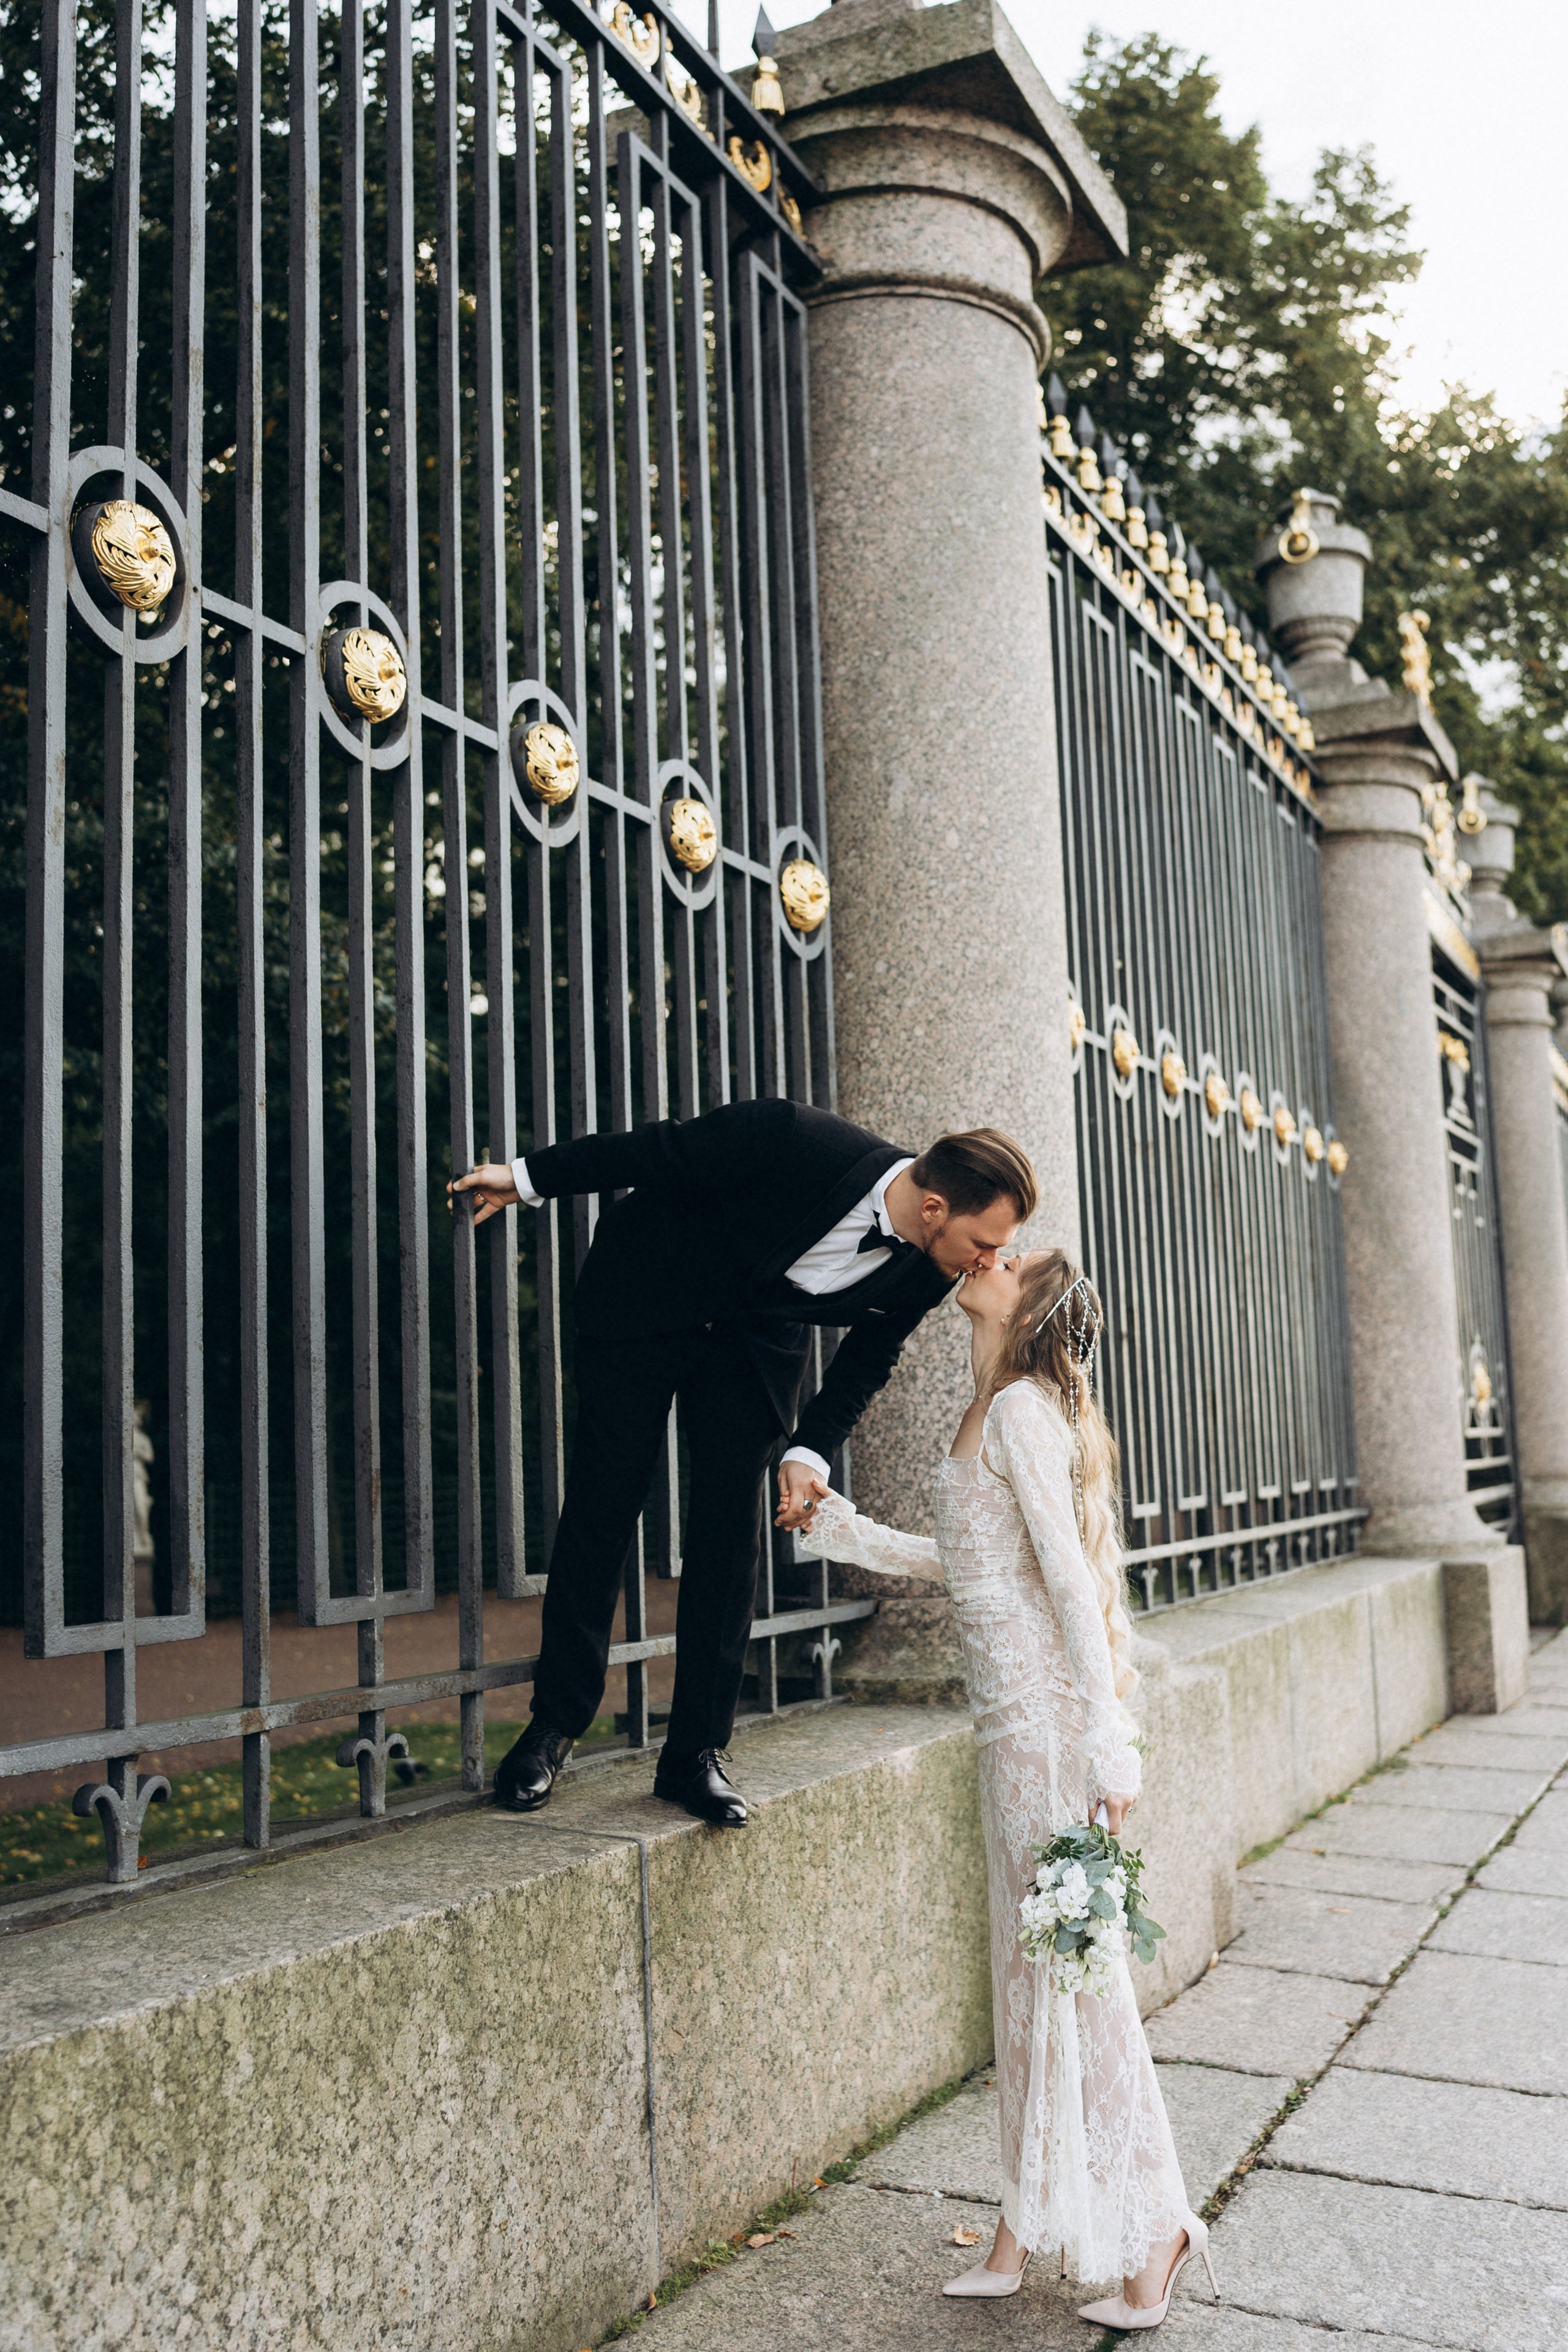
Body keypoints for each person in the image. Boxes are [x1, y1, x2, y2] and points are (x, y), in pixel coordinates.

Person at [794, 1250, 1216, 2329]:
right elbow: (970, 1560)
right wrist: (844, 1529)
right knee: (1026, 1994)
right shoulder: (988, 1405)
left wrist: (1110, 1748)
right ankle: (1024, 2225)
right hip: (1007, 1740)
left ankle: (1160, 2224)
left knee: (1081, 1987)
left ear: (1031, 1309)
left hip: (1049, 1740)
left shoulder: (1025, 1410)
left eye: (1017, 1260)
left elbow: (1073, 1586)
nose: (994, 1257)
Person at [447, 1102, 1035, 1826]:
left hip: (754, 1349)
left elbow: (866, 1361)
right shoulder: (792, 1137)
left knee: (731, 1533)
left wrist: (806, 1452)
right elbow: (654, 1150)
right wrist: (527, 1178)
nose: (988, 1260)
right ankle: (553, 1727)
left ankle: (693, 1754)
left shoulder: (935, 1261)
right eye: (983, 1241)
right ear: (935, 1207)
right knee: (605, 1500)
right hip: (646, 1298)